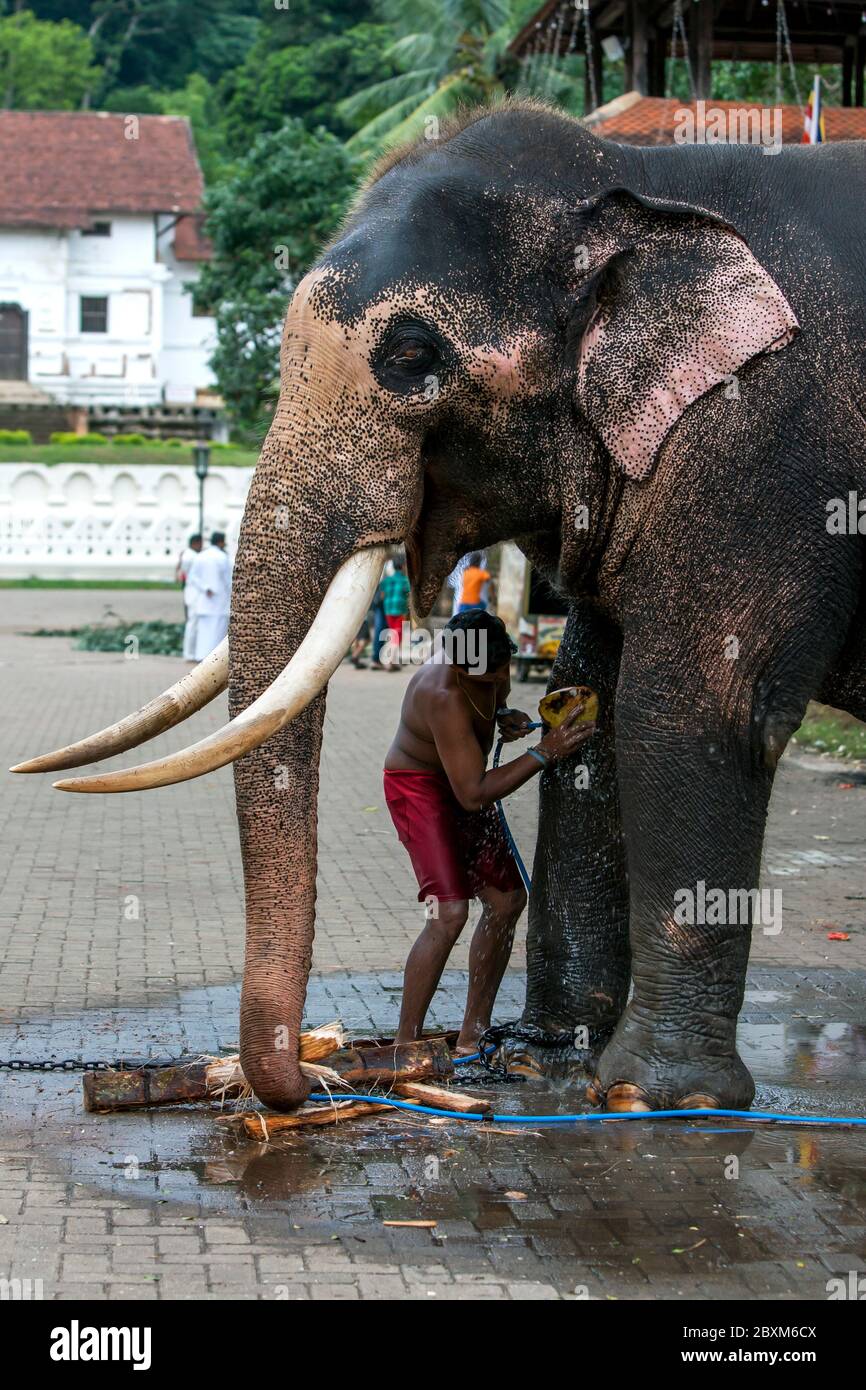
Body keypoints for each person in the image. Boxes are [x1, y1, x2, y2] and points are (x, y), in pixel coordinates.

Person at [383, 609, 596, 1052]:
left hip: (465, 780)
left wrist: (503, 714)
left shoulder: (491, 660)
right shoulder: (441, 692)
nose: (498, 678)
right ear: (459, 666)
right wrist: (545, 752)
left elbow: (489, 711)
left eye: (503, 670)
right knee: (449, 913)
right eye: (483, 678)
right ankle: (405, 1048)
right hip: (422, 788)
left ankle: (471, 1035)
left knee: (507, 900)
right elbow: (474, 795)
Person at [186, 531, 232, 662]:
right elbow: (228, 580)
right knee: (217, 632)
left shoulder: (200, 556)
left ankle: (200, 655)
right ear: (221, 542)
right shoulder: (223, 558)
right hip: (220, 601)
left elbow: (193, 577)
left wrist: (205, 588)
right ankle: (214, 659)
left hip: (205, 600)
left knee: (204, 631)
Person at [379, 556, 411, 670]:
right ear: (403, 566)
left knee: (394, 634)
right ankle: (388, 661)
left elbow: (382, 596)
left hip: (388, 611)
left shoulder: (386, 581)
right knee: (397, 637)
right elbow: (409, 596)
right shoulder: (405, 581)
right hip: (400, 611)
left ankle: (393, 661)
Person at [176, 533, 202, 661]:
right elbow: (188, 574)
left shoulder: (189, 555)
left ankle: (191, 652)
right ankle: (189, 653)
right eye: (200, 544)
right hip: (193, 594)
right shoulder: (190, 556)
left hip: (192, 593)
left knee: (193, 624)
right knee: (192, 624)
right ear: (195, 543)